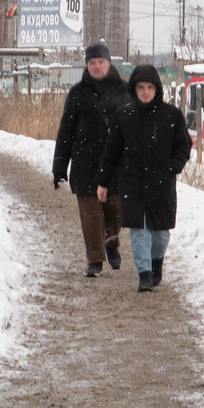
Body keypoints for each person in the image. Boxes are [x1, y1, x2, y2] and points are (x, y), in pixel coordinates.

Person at [97, 64, 189, 293]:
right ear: (134, 89)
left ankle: (156, 262)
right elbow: (112, 151)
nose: (145, 91)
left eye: (149, 87)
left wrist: (172, 168)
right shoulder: (124, 116)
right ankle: (144, 274)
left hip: (162, 182)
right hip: (132, 181)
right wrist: (103, 181)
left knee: (160, 234)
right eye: (141, 87)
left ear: (156, 89)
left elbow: (184, 146)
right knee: (138, 230)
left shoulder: (172, 116)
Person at [52, 43, 133, 277]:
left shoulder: (125, 91)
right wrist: (59, 167)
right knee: (90, 214)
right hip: (85, 165)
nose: (97, 66)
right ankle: (95, 260)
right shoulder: (77, 93)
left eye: (101, 62)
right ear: (87, 65)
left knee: (114, 211)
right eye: (92, 63)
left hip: (116, 166)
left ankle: (112, 244)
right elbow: (65, 132)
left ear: (109, 63)